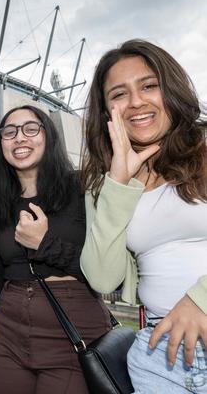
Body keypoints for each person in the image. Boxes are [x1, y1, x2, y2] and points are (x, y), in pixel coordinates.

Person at [80, 39, 207, 393]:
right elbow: (103, 279)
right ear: (107, 112)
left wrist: (200, 299)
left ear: (172, 89)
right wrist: (118, 183)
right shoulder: (105, 187)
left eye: (149, 86)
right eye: (119, 94)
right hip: (158, 354)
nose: (136, 102)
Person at [0, 105, 112, 393]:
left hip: (71, 330)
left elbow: (107, 272)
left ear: (49, 136)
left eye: (31, 129)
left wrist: (45, 245)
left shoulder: (83, 187)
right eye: (10, 131)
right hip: (8, 333)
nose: (19, 138)